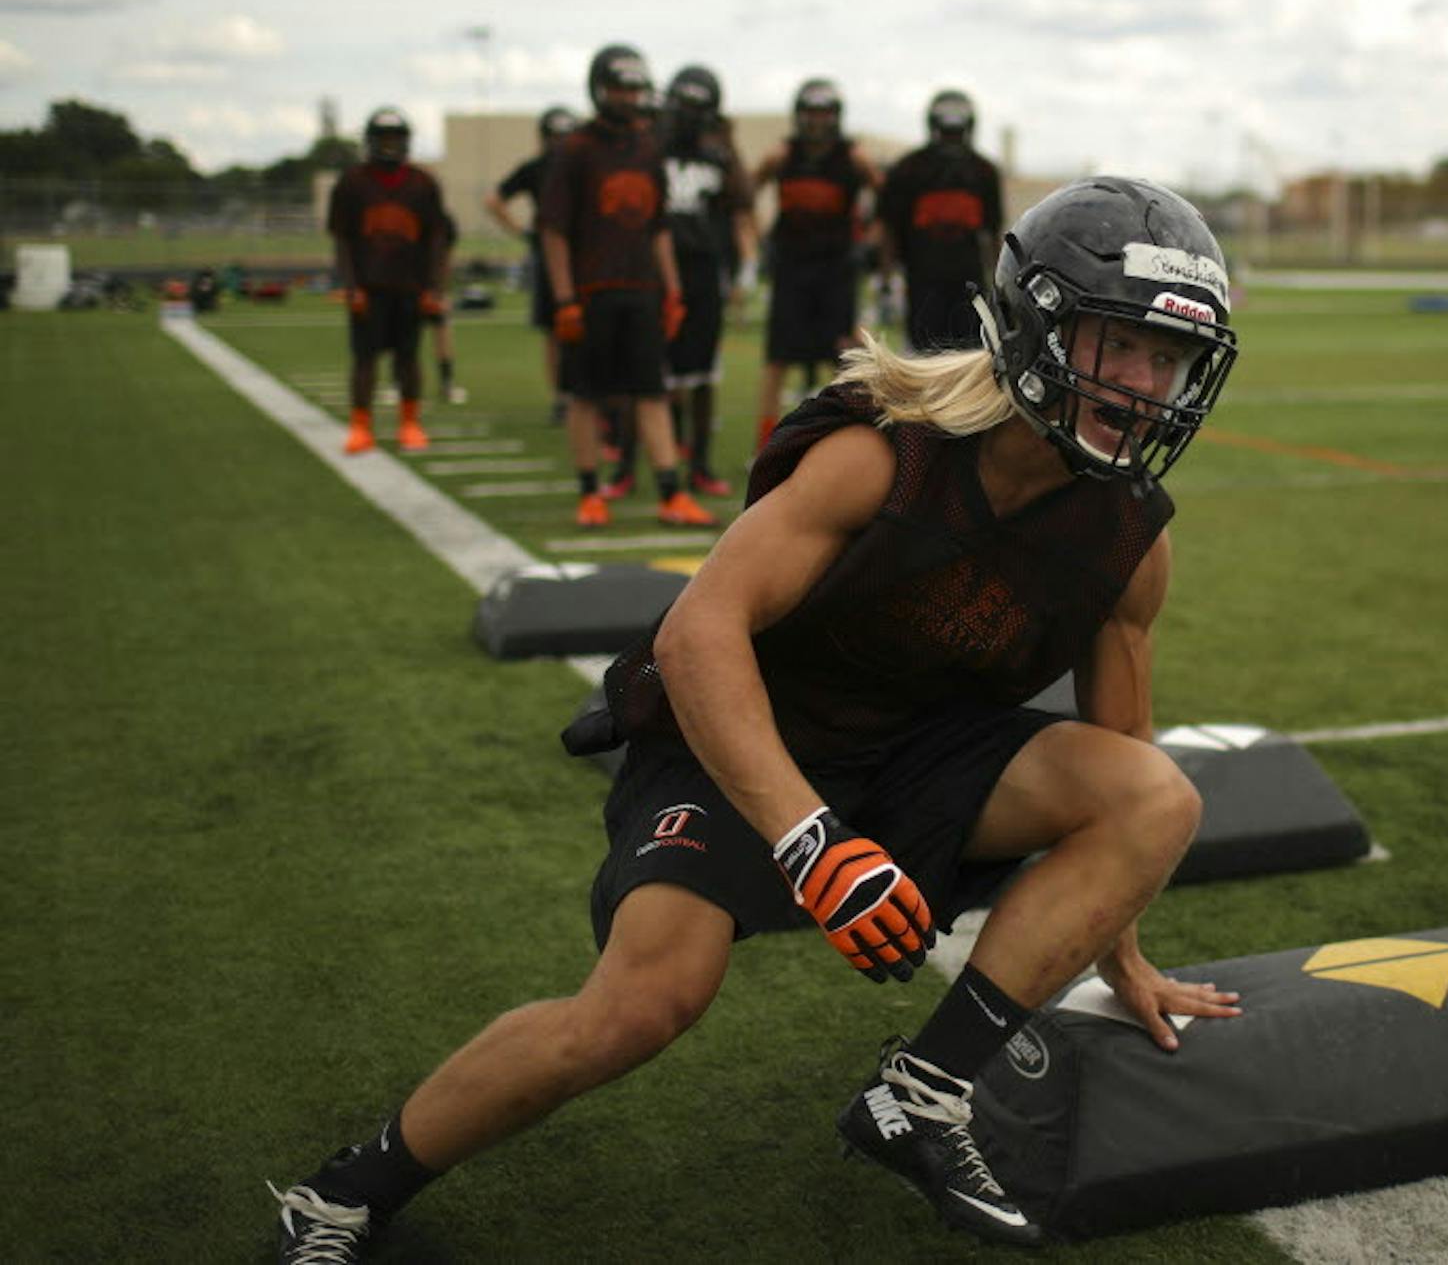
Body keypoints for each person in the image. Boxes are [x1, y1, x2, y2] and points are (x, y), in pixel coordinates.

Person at [265, 176, 1245, 1260]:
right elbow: (697, 634)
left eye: (1172, 360)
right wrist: (808, 838)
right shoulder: (887, 453)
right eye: (1125, 346)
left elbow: (1122, 747)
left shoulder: (1130, 533)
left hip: (915, 752)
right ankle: (346, 1193)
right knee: (642, 1005)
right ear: (1037, 325)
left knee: (1151, 794)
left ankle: (921, 1094)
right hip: (740, 743)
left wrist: (1124, 952)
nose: (1152, 386)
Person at [541, 44, 715, 530]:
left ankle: (671, 493)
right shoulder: (576, 149)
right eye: (619, 87)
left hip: (641, 291)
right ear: (599, 89)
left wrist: (673, 289)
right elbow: (553, 229)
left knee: (651, 392)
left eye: (634, 87)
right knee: (585, 395)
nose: (628, 96)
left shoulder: (647, 149)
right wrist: (564, 299)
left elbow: (659, 227)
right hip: (591, 290)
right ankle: (589, 492)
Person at [751, 78, 882, 450]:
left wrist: (867, 241)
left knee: (843, 357)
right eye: (810, 114)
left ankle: (847, 441)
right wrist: (761, 238)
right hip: (791, 268)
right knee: (777, 360)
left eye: (823, 114)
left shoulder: (854, 158)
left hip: (835, 269)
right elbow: (748, 191)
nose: (817, 123)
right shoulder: (781, 156)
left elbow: (886, 198)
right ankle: (766, 446)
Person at [649, 63, 754, 498]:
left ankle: (700, 464)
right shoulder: (652, 151)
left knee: (704, 373)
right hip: (656, 272)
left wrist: (729, 142)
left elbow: (744, 199)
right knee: (657, 374)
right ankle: (660, 457)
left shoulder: (717, 156)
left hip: (705, 271)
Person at [326, 108, 450, 455]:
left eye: (395, 138)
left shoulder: (423, 184)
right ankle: (360, 426)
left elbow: (437, 239)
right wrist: (351, 287)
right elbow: (342, 239)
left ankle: (409, 423)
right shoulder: (353, 183)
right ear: (370, 141)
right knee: (364, 359)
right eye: (383, 139)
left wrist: (434, 288)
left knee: (408, 358)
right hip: (370, 286)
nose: (390, 146)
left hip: (410, 287)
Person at [876, 88, 1004, 352]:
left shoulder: (983, 171)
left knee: (969, 356)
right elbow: (889, 229)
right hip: (921, 281)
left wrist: (1000, 284)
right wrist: (887, 280)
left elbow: (993, 233)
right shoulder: (909, 169)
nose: (952, 139)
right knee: (921, 356)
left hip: (969, 284)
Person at [486, 106, 578, 424]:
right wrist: (521, 231)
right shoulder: (537, 168)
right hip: (554, 256)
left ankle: (575, 396)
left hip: (580, 256)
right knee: (556, 331)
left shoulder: (579, 166)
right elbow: (494, 200)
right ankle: (563, 397)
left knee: (575, 330)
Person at [426, 212, 467, 404]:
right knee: (404, 332)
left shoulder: (444, 222)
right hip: (407, 280)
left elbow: (445, 259)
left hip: (431, 281)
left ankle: (446, 382)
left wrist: (441, 291)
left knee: (442, 328)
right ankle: (397, 383)